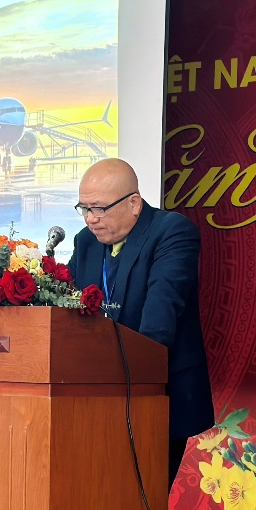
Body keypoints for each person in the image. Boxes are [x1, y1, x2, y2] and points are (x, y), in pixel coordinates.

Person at [68, 158, 213, 488]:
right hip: (93, 398)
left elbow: (159, 322)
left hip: (156, 396)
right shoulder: (85, 241)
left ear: (134, 203)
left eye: (99, 208)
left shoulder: (172, 232)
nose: (91, 219)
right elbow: (66, 309)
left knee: (139, 501)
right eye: (84, 208)